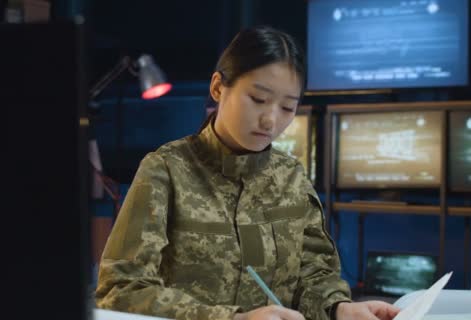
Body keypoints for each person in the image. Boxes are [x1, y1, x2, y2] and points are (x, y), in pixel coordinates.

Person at [95, 25, 401, 320]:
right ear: (218, 87)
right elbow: (120, 289)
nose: (271, 121)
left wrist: (338, 308)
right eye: (258, 99)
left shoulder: (290, 177)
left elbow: (314, 274)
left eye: (287, 108)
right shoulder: (167, 171)